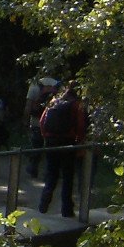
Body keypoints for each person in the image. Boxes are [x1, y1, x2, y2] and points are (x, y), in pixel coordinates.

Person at [37, 80, 89, 218]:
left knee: (51, 173)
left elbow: (42, 122)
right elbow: (81, 125)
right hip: (67, 141)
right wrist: (80, 140)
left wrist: (47, 137)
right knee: (67, 176)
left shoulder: (54, 101)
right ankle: (67, 209)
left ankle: (44, 202)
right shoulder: (76, 104)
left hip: (51, 141)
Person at [24, 76, 59, 177]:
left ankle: (33, 168)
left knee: (36, 146)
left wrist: (25, 121)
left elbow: (28, 106)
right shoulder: (56, 87)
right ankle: (48, 173)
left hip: (36, 122)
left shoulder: (34, 87)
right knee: (49, 149)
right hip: (50, 123)